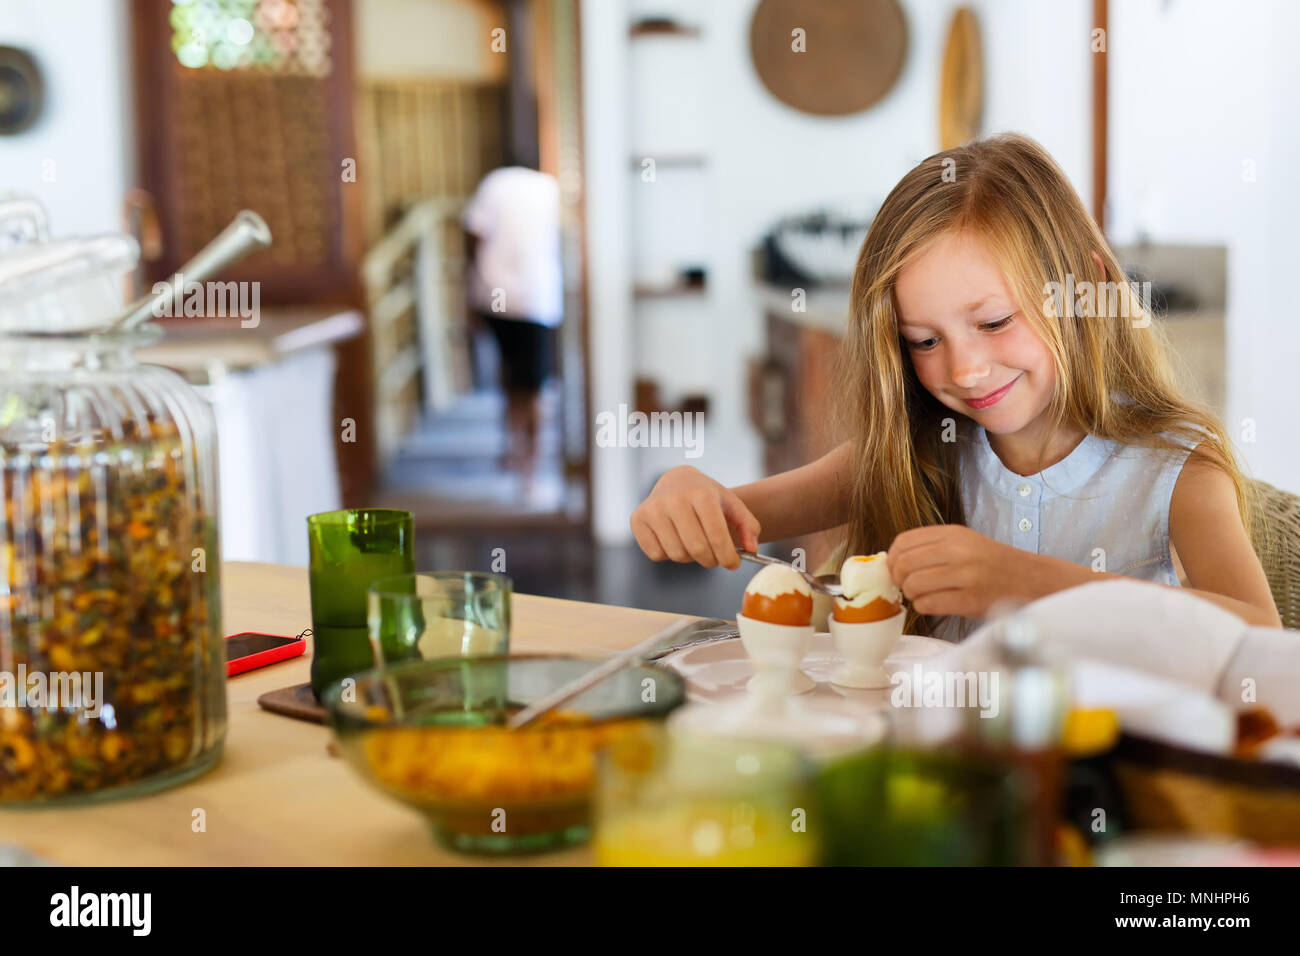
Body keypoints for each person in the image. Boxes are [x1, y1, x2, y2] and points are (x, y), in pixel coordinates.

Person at [629, 133, 1282, 639]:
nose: (965, 371)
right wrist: (687, 493)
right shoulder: (929, 445)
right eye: (924, 341)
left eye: (995, 321)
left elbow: (1259, 635)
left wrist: (1028, 581)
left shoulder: (1175, 469)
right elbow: (740, 516)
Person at [462, 165, 563, 487]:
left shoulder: (493, 182)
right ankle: (530, 463)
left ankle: (516, 450)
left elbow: (474, 235)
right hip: (536, 297)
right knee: (534, 383)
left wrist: (469, 294)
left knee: (511, 375)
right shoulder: (550, 188)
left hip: (494, 293)